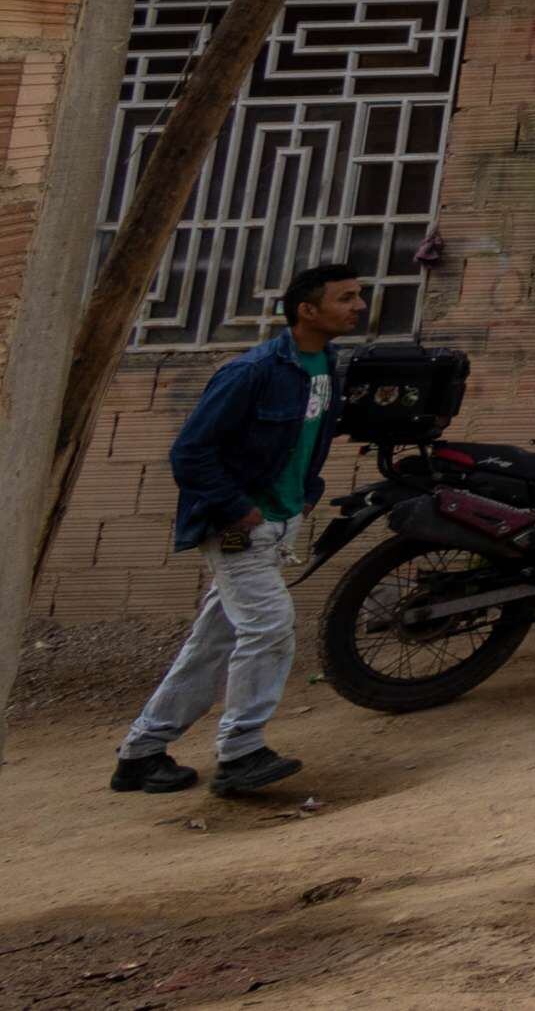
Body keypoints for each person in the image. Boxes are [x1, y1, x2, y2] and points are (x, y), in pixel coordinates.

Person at [110, 259, 366, 798]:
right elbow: (190, 453)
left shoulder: (325, 364)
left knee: (215, 640)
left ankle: (141, 753)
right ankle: (241, 752)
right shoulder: (251, 372)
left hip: (279, 523)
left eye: (357, 296)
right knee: (270, 625)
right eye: (346, 298)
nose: (358, 306)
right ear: (307, 309)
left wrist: (301, 498)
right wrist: (237, 509)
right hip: (238, 528)